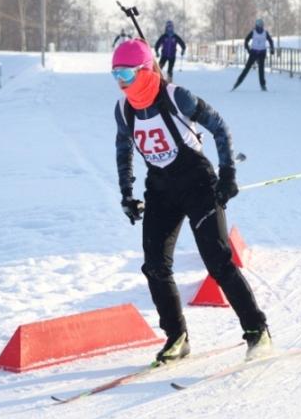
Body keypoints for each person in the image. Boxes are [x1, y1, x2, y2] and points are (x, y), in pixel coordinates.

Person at [112, 38, 271, 363]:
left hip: (197, 182)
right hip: (160, 187)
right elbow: (123, 148)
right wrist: (127, 193)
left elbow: (219, 127)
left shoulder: (175, 96)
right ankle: (177, 337)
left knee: (217, 260)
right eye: (115, 74)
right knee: (155, 266)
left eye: (126, 74)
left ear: (143, 71)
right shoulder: (124, 109)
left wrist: (227, 174)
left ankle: (257, 330)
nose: (120, 82)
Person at [231, 19, 275, 91]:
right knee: (247, 68)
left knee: (261, 69)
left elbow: (270, 41)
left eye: (261, 25)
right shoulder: (253, 32)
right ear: (256, 25)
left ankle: (263, 85)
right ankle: (238, 82)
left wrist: (272, 49)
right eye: (259, 25)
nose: (260, 27)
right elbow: (246, 40)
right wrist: (248, 49)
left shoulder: (265, 33)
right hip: (253, 53)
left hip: (262, 53)